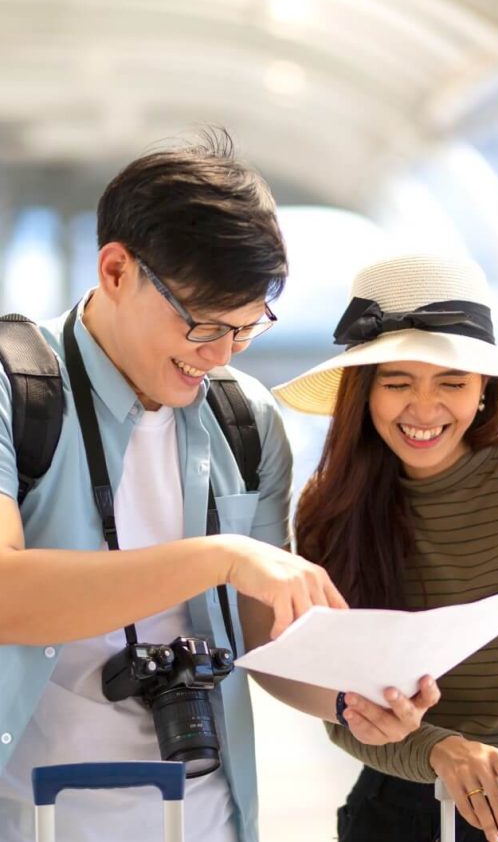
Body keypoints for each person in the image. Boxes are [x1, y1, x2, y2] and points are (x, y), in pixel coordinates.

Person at [0, 132, 440, 842]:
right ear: (116, 270)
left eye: (246, 330)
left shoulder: (244, 418)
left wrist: (349, 698)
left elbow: (263, 640)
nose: (219, 355)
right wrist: (219, 555)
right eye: (202, 323)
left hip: (205, 822)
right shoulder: (13, 387)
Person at [272, 253, 498, 842]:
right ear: (363, 394)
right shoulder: (328, 509)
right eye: (397, 383)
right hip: (388, 811)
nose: (423, 410)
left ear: (483, 393)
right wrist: (438, 749)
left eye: (452, 383)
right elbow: (339, 701)